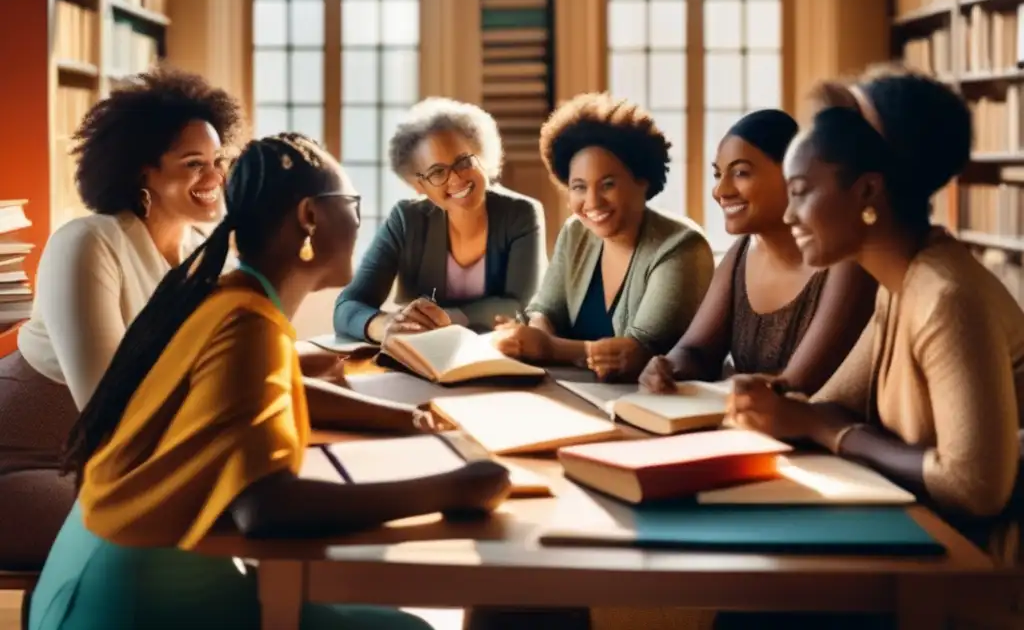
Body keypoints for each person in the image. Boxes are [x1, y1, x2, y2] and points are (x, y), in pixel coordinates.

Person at [30, 133, 511, 630]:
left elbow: (271, 390)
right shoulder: (247, 322)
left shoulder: (234, 299)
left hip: (103, 570)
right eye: (350, 204)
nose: (358, 219)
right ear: (310, 217)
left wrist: (409, 419)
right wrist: (452, 491)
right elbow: (267, 507)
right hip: (135, 599)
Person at [725, 68, 1024, 626]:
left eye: (801, 192)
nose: (788, 215)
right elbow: (825, 402)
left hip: (973, 575)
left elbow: (975, 487)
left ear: (867, 192)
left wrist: (823, 428)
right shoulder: (899, 283)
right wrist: (778, 402)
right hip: (920, 538)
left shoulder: (947, 297)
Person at [0, 68, 244, 570]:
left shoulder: (207, 254)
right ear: (141, 173)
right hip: (26, 468)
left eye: (217, 161)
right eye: (194, 163)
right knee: (185, 534)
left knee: (233, 518)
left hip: (116, 464)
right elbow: (113, 411)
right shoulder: (88, 243)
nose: (216, 177)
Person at [638, 109, 876, 396]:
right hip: (745, 425)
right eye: (718, 174)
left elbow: (801, 383)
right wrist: (667, 368)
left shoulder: (843, 260)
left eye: (740, 173)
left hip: (817, 434)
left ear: (793, 175)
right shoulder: (740, 254)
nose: (720, 190)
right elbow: (697, 349)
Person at [495, 92, 714, 381]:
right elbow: (546, 309)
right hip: (569, 392)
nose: (592, 201)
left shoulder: (682, 247)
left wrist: (549, 348)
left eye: (607, 184)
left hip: (645, 406)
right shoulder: (576, 232)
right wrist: (532, 334)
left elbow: (637, 353)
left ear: (642, 180)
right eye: (579, 187)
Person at [334, 97, 546, 342]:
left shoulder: (522, 213)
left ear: (482, 156)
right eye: (437, 172)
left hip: (501, 351)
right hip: (425, 355)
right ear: (418, 185)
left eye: (464, 161)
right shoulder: (406, 220)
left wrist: (448, 318)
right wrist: (385, 325)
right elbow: (348, 305)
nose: (456, 179)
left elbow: (520, 305)